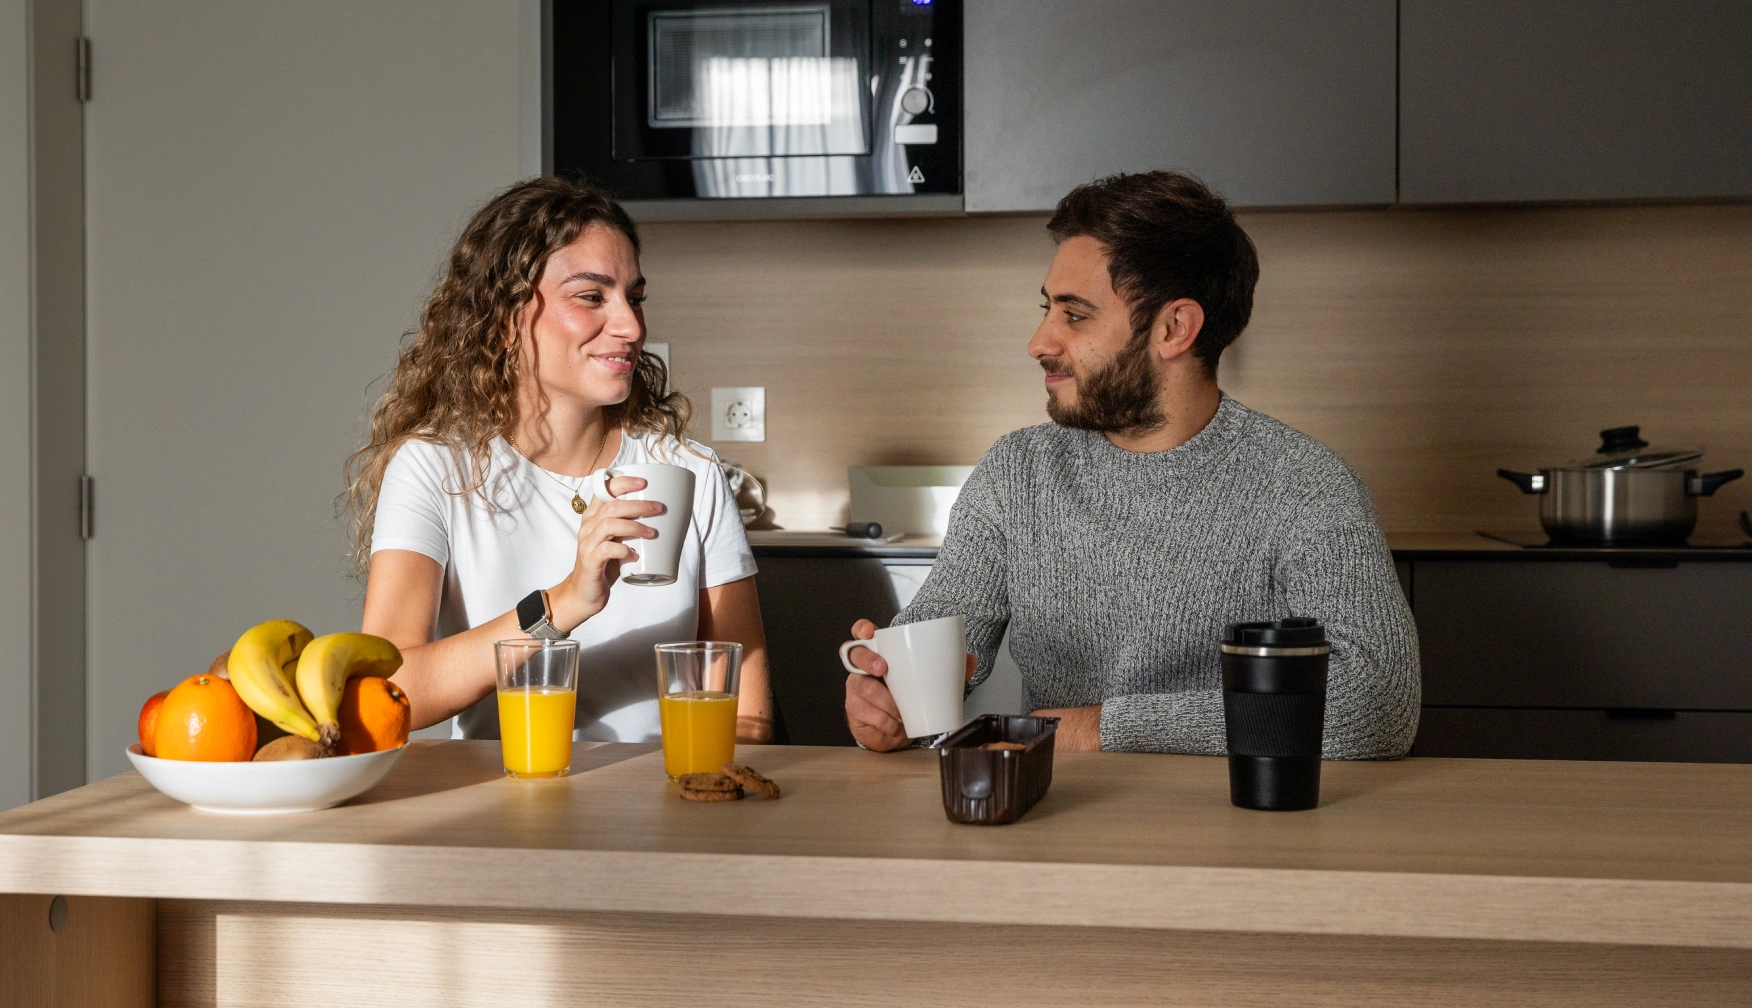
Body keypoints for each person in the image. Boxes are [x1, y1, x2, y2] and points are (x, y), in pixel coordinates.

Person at [843, 171, 1419, 757]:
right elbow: (937, 639)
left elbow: (1379, 703)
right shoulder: (1017, 474)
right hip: (1058, 807)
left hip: (1234, 809)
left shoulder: (1307, 486)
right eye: (1047, 309)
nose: (1038, 342)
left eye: (1074, 315)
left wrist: (1108, 728)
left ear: (1174, 328)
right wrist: (888, 699)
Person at [348, 177, 773, 744]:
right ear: (504, 317)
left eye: (635, 298)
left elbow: (749, 718)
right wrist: (566, 602)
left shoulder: (689, 472)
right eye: (592, 296)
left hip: (668, 795)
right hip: (506, 795)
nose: (631, 326)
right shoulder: (433, 468)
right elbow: (389, 687)